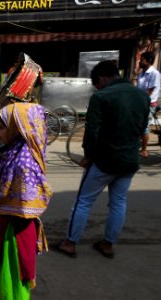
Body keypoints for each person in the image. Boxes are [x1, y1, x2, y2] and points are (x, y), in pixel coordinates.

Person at [56, 60, 150, 259]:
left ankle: (69, 243)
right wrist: (142, 149)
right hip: (129, 161)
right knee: (118, 202)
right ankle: (108, 245)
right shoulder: (142, 96)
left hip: (105, 161)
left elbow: (92, 133)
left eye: (96, 84)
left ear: (101, 78)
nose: (96, 88)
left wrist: (88, 156)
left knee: (83, 201)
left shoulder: (101, 97)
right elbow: (143, 130)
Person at [0, 102, 52, 299]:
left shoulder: (24, 162)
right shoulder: (19, 148)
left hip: (14, 232)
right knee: (9, 280)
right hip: (10, 226)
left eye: (2, 127)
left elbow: (25, 201)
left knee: (12, 281)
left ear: (19, 126)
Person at [136, 51, 160, 157]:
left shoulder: (154, 73)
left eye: (142, 59)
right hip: (139, 102)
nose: (139, 61)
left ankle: (144, 149)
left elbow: (149, 92)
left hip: (148, 104)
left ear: (148, 61)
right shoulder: (141, 73)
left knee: (144, 126)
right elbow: (136, 88)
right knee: (135, 125)